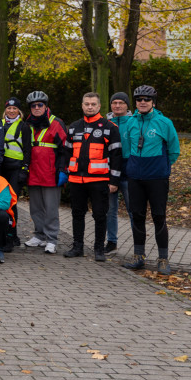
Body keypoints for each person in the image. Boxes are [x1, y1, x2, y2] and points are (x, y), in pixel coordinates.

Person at [120, 85, 180, 275]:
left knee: (159, 216)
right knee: (137, 216)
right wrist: (132, 168)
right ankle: (139, 256)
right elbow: (127, 148)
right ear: (135, 103)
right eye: (139, 99)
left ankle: (163, 259)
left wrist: (162, 167)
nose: (143, 102)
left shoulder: (164, 122)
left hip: (157, 178)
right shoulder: (131, 122)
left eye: (146, 99)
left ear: (153, 102)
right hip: (135, 178)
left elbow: (174, 150)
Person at [63, 92, 123, 262]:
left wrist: (114, 181)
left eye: (93, 104)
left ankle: (99, 249)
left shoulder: (110, 127)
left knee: (100, 215)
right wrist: (67, 173)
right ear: (82, 105)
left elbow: (117, 156)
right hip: (76, 180)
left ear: (99, 106)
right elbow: (67, 152)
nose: (90, 107)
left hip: (99, 180)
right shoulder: (74, 127)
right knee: (77, 214)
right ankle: (77, 247)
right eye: (87, 104)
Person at [23, 91, 69, 254]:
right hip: (33, 172)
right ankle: (39, 235)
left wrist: (63, 170)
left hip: (51, 173)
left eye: (40, 105)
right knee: (35, 208)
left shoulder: (56, 123)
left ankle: (51, 239)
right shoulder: (27, 123)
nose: (36, 108)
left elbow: (65, 149)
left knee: (51, 208)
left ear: (46, 106)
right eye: (33, 106)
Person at [0, 96, 31, 246]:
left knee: (11, 203)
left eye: (14, 108)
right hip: (1, 168)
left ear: (19, 110)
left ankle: (12, 235)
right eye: (9, 108)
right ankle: (2, 233)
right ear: (5, 110)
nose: (11, 111)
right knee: (0, 202)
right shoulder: (0, 124)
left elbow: (27, 150)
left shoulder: (23, 126)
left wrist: (24, 169)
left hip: (16, 168)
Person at [105, 92, 132, 253]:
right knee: (110, 209)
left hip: (129, 169)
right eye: (114, 103)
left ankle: (138, 242)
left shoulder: (133, 122)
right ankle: (111, 241)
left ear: (127, 105)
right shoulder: (105, 123)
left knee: (133, 209)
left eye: (121, 103)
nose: (117, 106)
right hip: (109, 170)